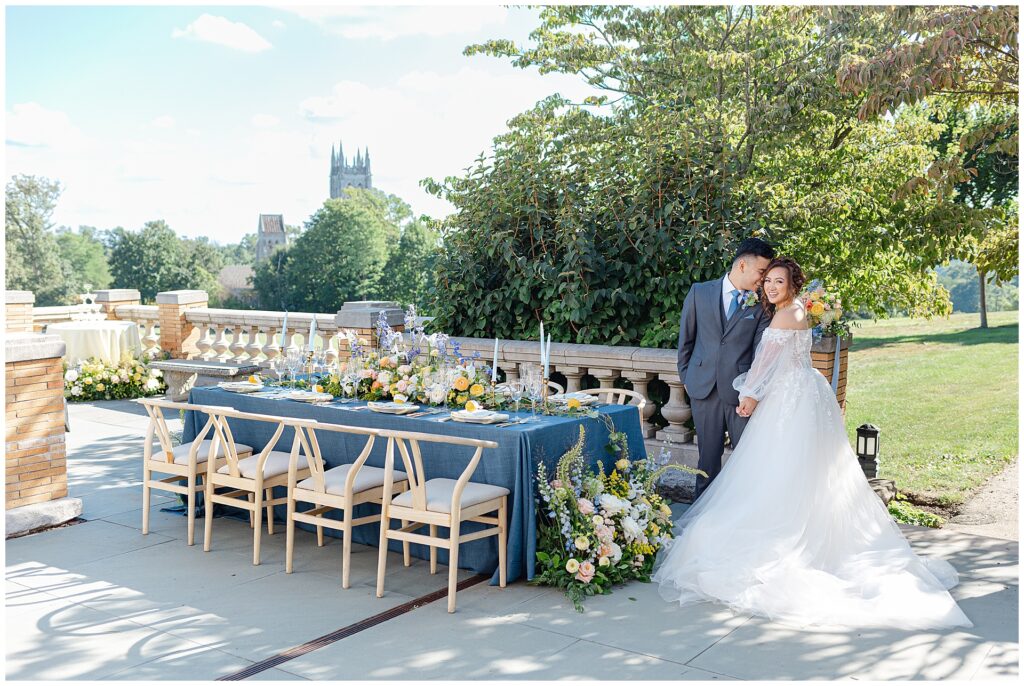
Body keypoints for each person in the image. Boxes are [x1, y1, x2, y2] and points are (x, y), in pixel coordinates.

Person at [654, 257, 972, 629]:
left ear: (793, 283)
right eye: (767, 281)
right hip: (804, 392)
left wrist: (750, 395)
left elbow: (764, 364)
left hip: (787, 399)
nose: (770, 287)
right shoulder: (799, 309)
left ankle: (783, 539)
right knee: (804, 471)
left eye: (778, 281)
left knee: (777, 469)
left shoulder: (785, 315)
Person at [677, 237, 775, 498]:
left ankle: (742, 520)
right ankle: (699, 523)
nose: (764, 281)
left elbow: (760, 354)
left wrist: (751, 391)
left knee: (747, 461)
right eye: (762, 273)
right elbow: (685, 341)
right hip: (703, 389)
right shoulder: (700, 292)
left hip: (740, 394)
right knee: (706, 463)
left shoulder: (763, 304)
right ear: (742, 265)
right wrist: (686, 377)